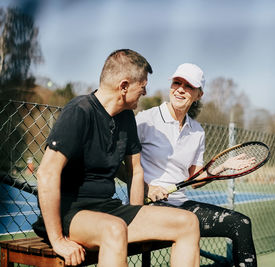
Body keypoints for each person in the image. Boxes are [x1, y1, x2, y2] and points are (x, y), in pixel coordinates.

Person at [32, 50, 200, 267]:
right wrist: (58, 240)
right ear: (123, 87)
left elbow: (135, 170)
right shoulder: (79, 111)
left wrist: (137, 211)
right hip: (70, 212)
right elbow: (46, 173)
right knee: (115, 229)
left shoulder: (127, 117)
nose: (146, 91)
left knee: (187, 222)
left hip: (108, 208)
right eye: (142, 86)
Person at [135, 63, 257, 267]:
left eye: (188, 86)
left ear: (198, 94)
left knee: (241, 223)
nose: (180, 89)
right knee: (187, 225)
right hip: (149, 206)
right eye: (176, 83)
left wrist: (223, 166)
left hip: (181, 205)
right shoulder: (146, 120)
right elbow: (123, 164)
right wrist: (148, 188)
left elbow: (194, 181)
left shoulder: (197, 131)